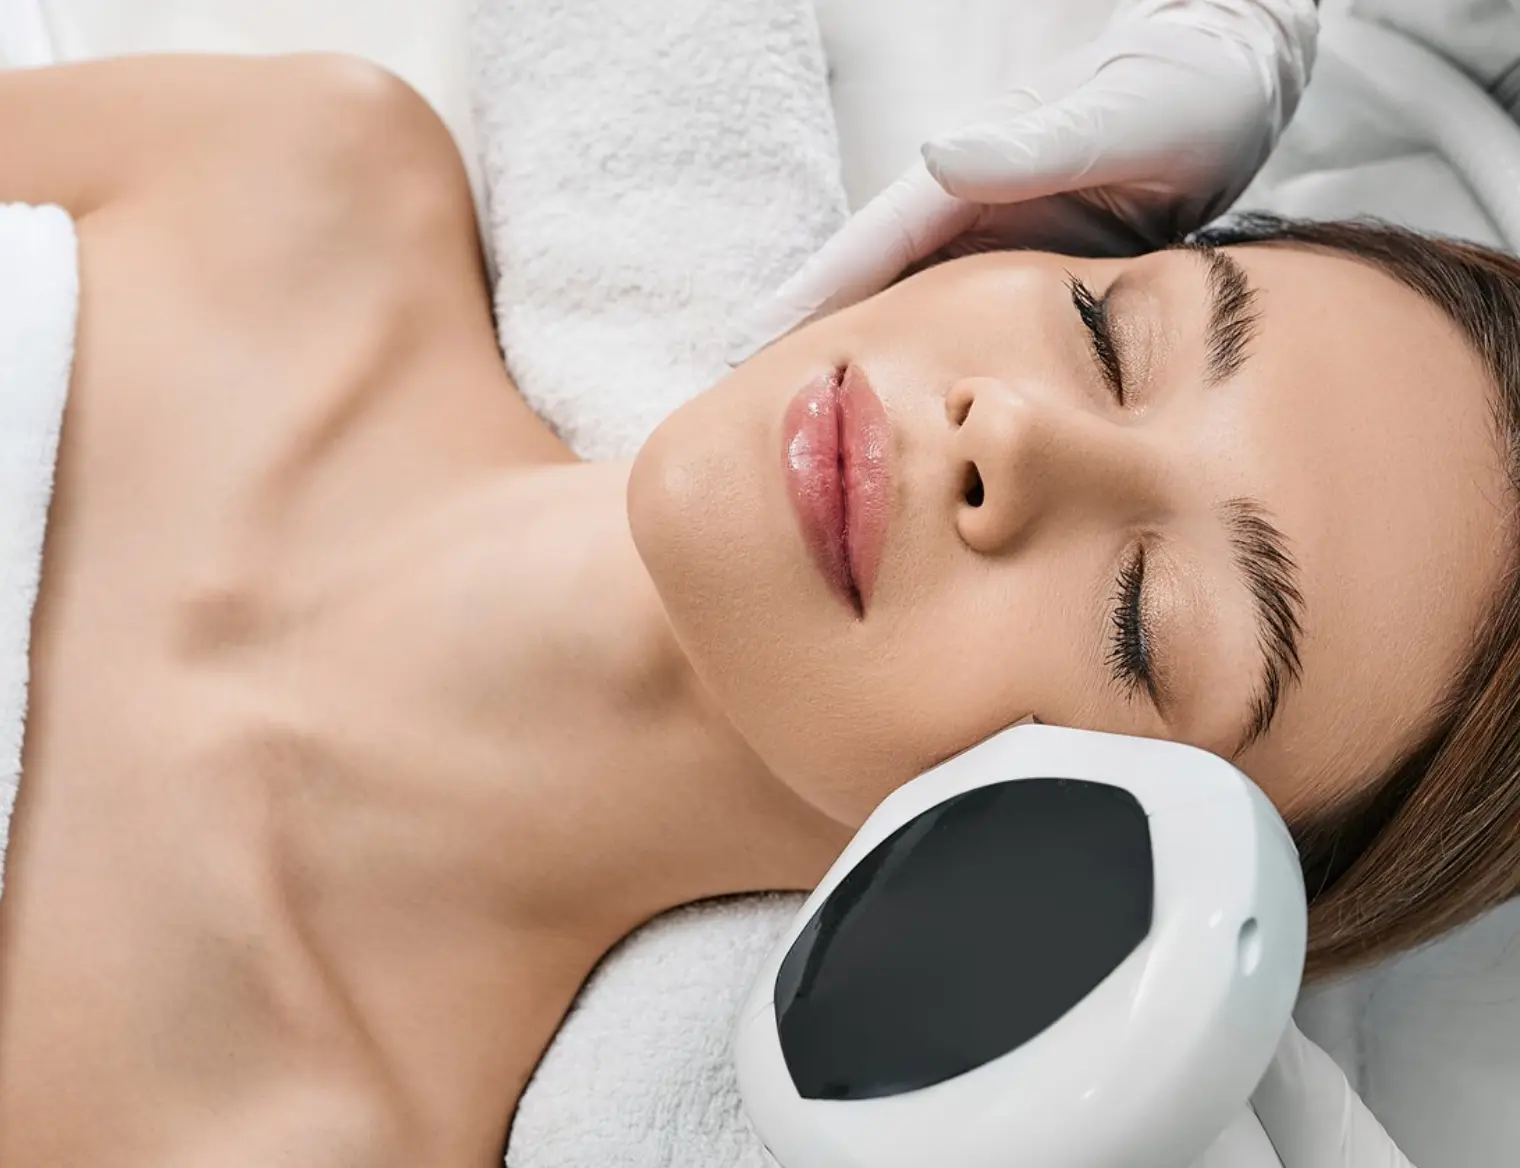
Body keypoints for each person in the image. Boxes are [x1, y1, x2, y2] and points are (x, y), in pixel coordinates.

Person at [0, 50, 1512, 1168]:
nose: (1022, 438)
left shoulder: (287, 1134)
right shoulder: (299, 171)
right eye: (1112, 332)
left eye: (1144, 620)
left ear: (1122, 902)